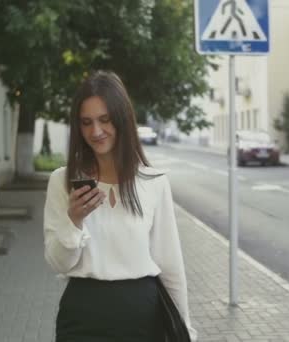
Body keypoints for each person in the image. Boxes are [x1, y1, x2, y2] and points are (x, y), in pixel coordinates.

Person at [43, 71, 197, 341]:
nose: (96, 131)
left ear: (122, 119)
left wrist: (185, 329)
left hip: (142, 316)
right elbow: (58, 263)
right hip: (82, 317)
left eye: (105, 120)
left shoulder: (153, 183)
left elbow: (171, 265)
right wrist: (74, 221)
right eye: (86, 122)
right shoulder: (62, 181)